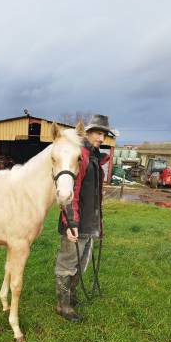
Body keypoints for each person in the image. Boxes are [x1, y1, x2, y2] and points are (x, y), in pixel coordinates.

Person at [55, 114, 115, 322]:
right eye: (98, 133)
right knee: (67, 263)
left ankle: (71, 296)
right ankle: (63, 305)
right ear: (87, 133)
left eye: (104, 134)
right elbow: (71, 191)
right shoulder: (78, 155)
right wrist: (71, 222)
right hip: (75, 223)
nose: (101, 137)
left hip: (89, 222)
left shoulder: (95, 157)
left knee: (82, 263)